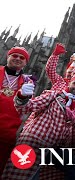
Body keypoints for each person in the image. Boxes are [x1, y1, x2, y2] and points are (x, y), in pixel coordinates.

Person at [2, 54, 75, 180]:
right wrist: (22, 96)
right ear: (69, 82)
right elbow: (28, 106)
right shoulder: (55, 93)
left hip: (55, 146)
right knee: (22, 174)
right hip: (35, 140)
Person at [0, 46, 33, 175]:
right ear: (8, 57)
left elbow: (26, 109)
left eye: (22, 57)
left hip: (7, 136)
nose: (18, 59)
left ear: (25, 62)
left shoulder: (28, 82)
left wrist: (24, 98)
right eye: (14, 56)